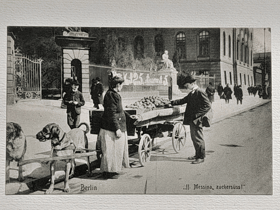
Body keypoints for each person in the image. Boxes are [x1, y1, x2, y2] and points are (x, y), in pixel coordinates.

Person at [171, 75, 211, 164]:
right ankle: (197, 155)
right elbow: (183, 100)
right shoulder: (192, 93)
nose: (186, 86)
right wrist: (171, 103)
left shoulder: (199, 92)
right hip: (193, 120)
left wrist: (197, 115)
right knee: (194, 138)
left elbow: (208, 105)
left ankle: (201, 157)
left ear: (192, 84)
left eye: (187, 85)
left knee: (198, 138)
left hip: (197, 120)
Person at [99, 72, 131, 178]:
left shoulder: (114, 94)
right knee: (110, 151)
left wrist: (130, 116)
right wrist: (117, 128)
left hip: (112, 127)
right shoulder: (111, 95)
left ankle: (112, 170)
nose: (122, 87)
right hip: (110, 129)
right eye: (121, 85)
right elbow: (111, 113)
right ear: (117, 85)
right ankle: (109, 172)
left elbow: (119, 110)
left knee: (115, 150)